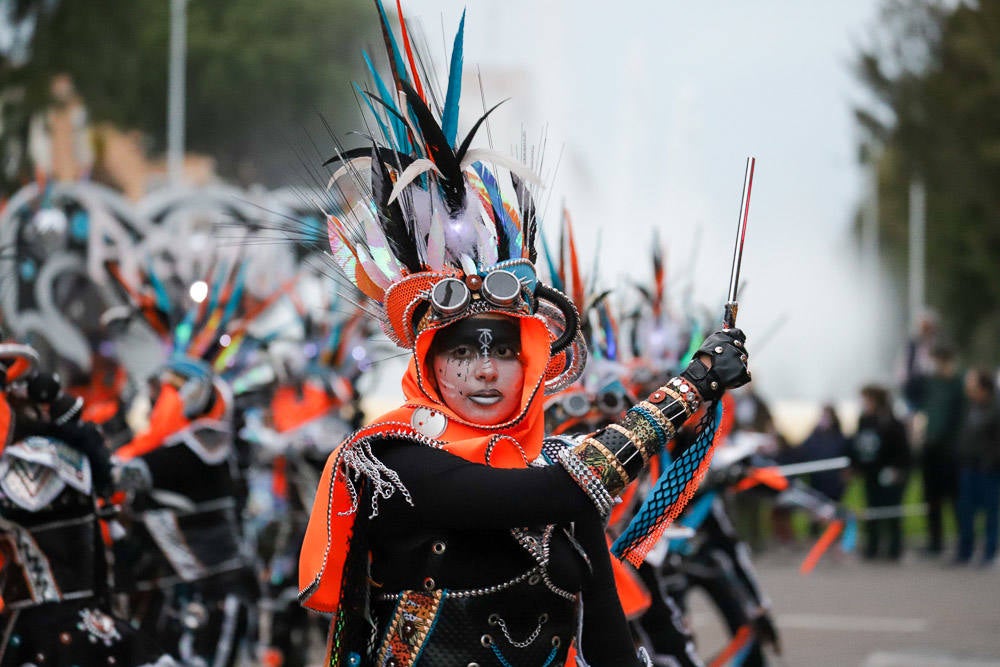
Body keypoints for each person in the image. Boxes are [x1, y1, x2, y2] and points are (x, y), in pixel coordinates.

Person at [297, 6, 751, 665]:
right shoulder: (394, 462)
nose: (486, 370)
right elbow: (561, 492)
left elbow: (606, 632)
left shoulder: (550, 460)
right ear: (427, 363)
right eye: (462, 352)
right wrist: (691, 385)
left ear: (534, 359)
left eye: (505, 350)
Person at [849, 385, 911, 561]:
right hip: (871, 474)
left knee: (891, 512)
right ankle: (872, 547)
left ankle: (894, 548)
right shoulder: (864, 421)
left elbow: (903, 452)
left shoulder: (892, 423)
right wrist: (855, 466)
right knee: (872, 511)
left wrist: (898, 470)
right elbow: (858, 446)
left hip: (890, 474)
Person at [916, 345, 964, 556]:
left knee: (955, 500)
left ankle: (964, 542)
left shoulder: (959, 385)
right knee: (931, 499)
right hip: (931, 449)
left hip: (951, 451)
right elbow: (909, 387)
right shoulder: (930, 384)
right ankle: (935, 541)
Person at [954, 368, 1000, 566]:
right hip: (968, 466)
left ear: (983, 386)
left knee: (991, 512)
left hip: (989, 469)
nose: (968, 387)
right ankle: (965, 551)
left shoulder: (996, 409)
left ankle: (989, 553)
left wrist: (990, 462)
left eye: (972, 383)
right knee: (966, 511)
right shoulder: (969, 407)